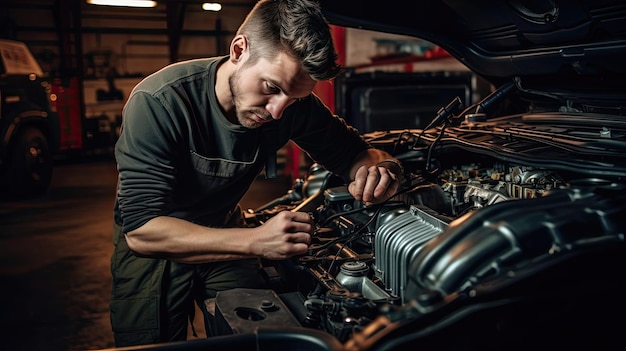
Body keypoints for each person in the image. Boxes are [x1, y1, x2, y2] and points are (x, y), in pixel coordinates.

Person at [110, 0, 404, 347]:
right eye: (270, 88)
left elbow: (358, 154)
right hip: (157, 249)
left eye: (294, 98)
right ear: (239, 49)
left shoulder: (291, 104)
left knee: (261, 336)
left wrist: (382, 170)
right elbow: (141, 231)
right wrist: (257, 241)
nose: (279, 111)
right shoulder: (160, 102)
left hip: (225, 231)